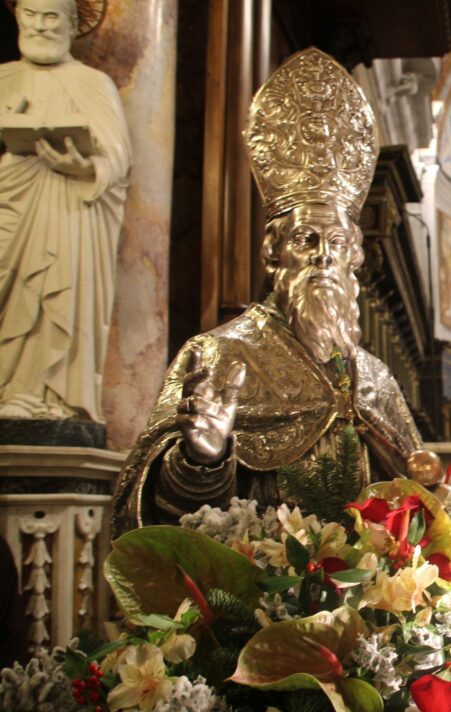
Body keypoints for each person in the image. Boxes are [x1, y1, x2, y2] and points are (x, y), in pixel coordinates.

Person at [112, 49, 422, 535]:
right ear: (274, 253)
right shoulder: (217, 356)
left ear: (354, 258)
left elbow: (415, 504)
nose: (324, 256)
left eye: (337, 242)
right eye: (306, 239)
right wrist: (203, 458)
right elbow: (154, 516)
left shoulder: (376, 380)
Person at [0, 0, 131, 422]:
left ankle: (48, 398)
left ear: (73, 25)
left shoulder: (92, 83)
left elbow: (117, 156)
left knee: (53, 292)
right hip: (10, 199)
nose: (39, 26)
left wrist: (85, 167)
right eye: (30, 15)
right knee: (13, 289)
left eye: (51, 16)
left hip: (68, 210)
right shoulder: (3, 79)